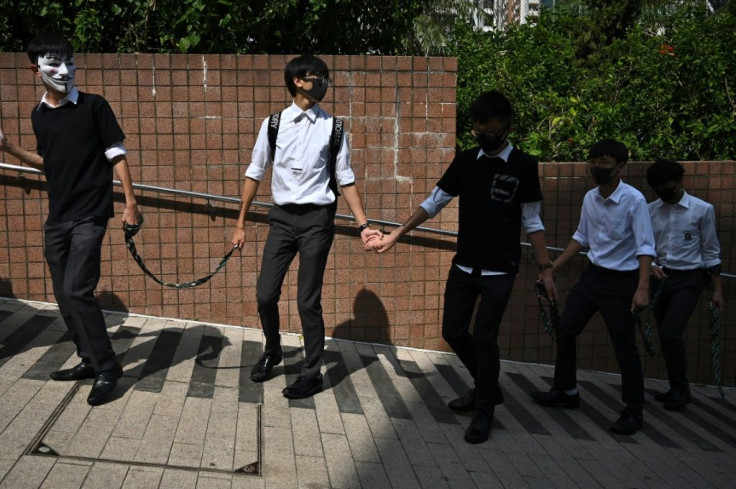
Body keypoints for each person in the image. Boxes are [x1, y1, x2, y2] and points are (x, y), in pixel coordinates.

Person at [373, 90, 557, 444]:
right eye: (478, 130)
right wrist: (396, 234)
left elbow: (533, 223)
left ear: (506, 128)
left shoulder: (524, 166)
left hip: (500, 271)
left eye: (491, 130)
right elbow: (434, 202)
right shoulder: (467, 161)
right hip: (465, 266)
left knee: (486, 339)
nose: (484, 136)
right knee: (453, 330)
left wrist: (546, 267)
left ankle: (484, 407)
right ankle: (488, 387)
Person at [0, 33, 140, 406]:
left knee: (79, 289)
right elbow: (49, 163)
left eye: (70, 62)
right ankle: (88, 360)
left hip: (90, 214)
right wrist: (10, 149)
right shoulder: (39, 115)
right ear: (35, 70)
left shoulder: (94, 106)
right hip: (57, 217)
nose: (65, 71)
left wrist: (130, 203)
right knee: (64, 295)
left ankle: (109, 369)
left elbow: (117, 155)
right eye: (54, 65)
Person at [232, 54, 382, 399]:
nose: (324, 82)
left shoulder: (334, 127)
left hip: (317, 221)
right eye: (318, 76)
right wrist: (240, 223)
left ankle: (312, 373)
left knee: (307, 300)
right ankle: (272, 350)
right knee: (265, 293)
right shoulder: (273, 124)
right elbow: (254, 173)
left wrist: (364, 226)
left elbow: (345, 179)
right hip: (282, 219)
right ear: (297, 81)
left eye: (325, 77)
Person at [531, 139, 656, 435]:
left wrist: (642, 288)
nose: (597, 168)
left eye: (605, 163)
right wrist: (550, 269)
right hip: (592, 278)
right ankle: (566, 391)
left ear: (621, 167)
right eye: (594, 162)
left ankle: (633, 411)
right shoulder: (590, 198)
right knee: (566, 330)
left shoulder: (634, 200)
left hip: (621, 283)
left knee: (624, 346)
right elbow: (581, 238)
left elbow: (645, 247)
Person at [646, 158, 723, 411]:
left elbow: (711, 250)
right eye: (658, 188)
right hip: (659, 277)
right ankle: (675, 386)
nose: (664, 192)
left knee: (671, 332)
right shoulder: (650, 209)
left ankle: (681, 389)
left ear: (680, 181)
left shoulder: (702, 210)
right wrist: (651, 265)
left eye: (668, 186)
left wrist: (717, 290)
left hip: (689, 278)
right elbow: (645, 245)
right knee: (666, 335)